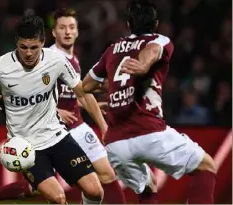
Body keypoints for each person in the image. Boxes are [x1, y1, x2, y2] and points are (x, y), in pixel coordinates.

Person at [0, 8, 126, 204]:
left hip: (74, 127)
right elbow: (32, 95)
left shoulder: (71, 59)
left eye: (71, 27)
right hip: (47, 129)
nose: (67, 32)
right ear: (53, 33)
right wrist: (56, 111)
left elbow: (77, 94)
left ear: (77, 31)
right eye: (62, 27)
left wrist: (98, 113)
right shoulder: (45, 57)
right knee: (48, 190)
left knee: (103, 178)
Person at [82, 0, 217, 204]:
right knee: (206, 166)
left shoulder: (113, 49)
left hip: (116, 144)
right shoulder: (160, 40)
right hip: (149, 132)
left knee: (148, 187)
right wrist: (144, 65)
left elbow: (86, 86)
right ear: (156, 24)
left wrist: (114, 90)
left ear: (128, 25)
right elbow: (152, 51)